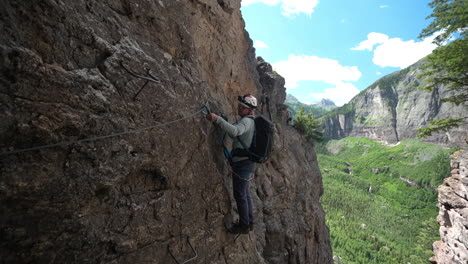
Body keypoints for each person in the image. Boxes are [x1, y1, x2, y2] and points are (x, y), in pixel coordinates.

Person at [206, 94, 257, 234]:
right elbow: (236, 134)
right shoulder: (251, 121)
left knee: (240, 194)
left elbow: (235, 132)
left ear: (249, 110)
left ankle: (244, 225)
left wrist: (218, 120)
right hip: (248, 163)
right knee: (245, 193)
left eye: (242, 107)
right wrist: (223, 122)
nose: (239, 108)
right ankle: (249, 222)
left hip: (242, 163)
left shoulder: (246, 121)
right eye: (240, 106)